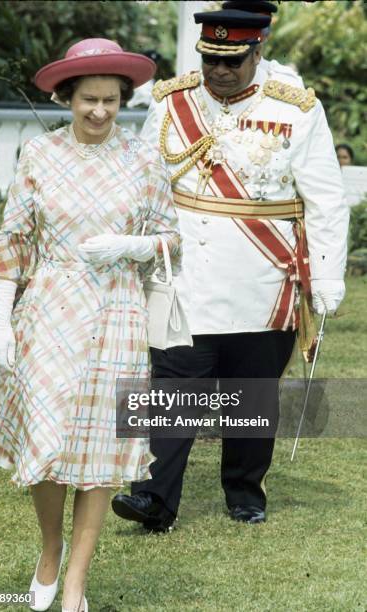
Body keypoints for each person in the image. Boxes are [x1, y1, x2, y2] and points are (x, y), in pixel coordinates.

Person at [111, 5, 349, 532]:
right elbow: (145, 181)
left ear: (257, 51)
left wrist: (327, 279)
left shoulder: (297, 109)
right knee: (174, 387)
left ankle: (244, 490)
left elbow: (327, 199)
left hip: (262, 278)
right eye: (212, 59)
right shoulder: (173, 102)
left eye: (233, 60)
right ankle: (154, 497)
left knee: (251, 391)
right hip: (183, 278)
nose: (220, 71)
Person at [0, 38, 181, 612]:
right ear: (67, 97)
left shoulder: (144, 159)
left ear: (123, 99)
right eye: (89, 99)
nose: (99, 112)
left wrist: (133, 244)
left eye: (111, 101)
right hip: (49, 308)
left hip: (118, 311)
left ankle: (75, 585)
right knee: (46, 436)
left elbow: (172, 239)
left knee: (101, 450)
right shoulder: (40, 155)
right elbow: (15, 236)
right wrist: (1, 322)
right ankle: (49, 549)